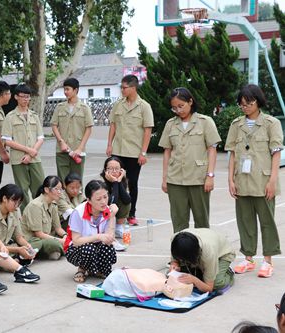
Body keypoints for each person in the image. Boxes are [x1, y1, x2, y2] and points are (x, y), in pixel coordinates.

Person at [225, 84, 282, 279]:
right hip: (242, 181)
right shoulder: (236, 125)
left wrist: (273, 180)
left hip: (263, 180)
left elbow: (276, 153)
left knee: (267, 221)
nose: (245, 107)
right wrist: (230, 180)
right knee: (245, 221)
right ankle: (248, 258)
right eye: (242, 104)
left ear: (258, 101)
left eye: (249, 103)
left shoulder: (271, 123)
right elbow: (232, 154)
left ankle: (267, 261)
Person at [159, 87, 221, 232]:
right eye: (174, 108)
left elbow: (212, 149)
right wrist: (164, 178)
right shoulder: (170, 124)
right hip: (175, 180)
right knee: (178, 222)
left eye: (181, 106)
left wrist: (210, 176)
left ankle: (204, 252)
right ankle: (180, 254)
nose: (178, 110)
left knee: (202, 222)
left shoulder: (205, 122)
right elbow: (167, 152)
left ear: (190, 102)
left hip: (199, 179)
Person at [106, 74, 154, 226]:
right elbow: (113, 125)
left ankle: (131, 214)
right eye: (121, 87)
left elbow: (148, 130)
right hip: (118, 151)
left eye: (124, 87)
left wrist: (143, 152)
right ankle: (114, 212)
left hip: (134, 153)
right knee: (115, 183)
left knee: (132, 183)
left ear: (133, 88)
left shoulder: (144, 106)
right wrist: (109, 144)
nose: (122, 90)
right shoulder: (118, 105)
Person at [65, 180, 118, 282]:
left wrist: (112, 216)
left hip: (97, 245)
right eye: (98, 199)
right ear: (89, 200)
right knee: (88, 248)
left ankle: (95, 269)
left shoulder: (108, 210)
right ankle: (82, 268)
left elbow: (109, 239)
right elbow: (76, 241)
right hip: (76, 248)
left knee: (109, 249)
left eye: (105, 197)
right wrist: (98, 236)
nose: (103, 201)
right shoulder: (78, 212)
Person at [2, 84, 45, 210]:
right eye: (23, 96)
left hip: (34, 159)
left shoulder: (34, 116)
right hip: (19, 160)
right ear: (16, 97)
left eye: (28, 97)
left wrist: (31, 153)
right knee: (22, 191)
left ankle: (40, 213)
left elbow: (41, 137)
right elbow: (7, 141)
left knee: (40, 188)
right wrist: (28, 151)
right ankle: (25, 217)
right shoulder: (10, 117)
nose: (26, 99)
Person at [0, 184, 36, 266]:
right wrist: (18, 249)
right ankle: (15, 261)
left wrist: (29, 247)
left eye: (19, 203)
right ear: (4, 198)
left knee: (32, 244)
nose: (17, 206)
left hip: (8, 248)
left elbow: (19, 237)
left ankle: (17, 259)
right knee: (4, 256)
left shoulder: (15, 211)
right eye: (14, 202)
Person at [51, 78, 93, 180]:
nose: (65, 92)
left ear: (76, 90)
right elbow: (54, 125)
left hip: (77, 152)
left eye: (68, 89)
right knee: (63, 182)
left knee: (76, 182)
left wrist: (80, 148)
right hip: (62, 151)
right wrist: (61, 142)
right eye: (64, 89)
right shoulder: (59, 107)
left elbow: (89, 128)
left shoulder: (84, 108)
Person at [169, 228, 235, 293]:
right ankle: (200, 272)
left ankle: (229, 273)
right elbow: (175, 258)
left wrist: (194, 280)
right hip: (199, 250)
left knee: (217, 284)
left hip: (223, 254)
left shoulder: (209, 253)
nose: (181, 261)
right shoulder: (176, 240)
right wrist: (174, 264)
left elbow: (209, 288)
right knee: (173, 276)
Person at [21, 176, 67, 260]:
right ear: (46, 189)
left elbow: (58, 228)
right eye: (57, 189)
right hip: (34, 241)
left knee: (69, 235)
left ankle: (59, 250)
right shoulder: (35, 206)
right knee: (55, 244)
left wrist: (65, 236)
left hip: (47, 237)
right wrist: (62, 241)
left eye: (61, 189)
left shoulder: (53, 204)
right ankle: (64, 249)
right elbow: (38, 234)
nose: (60, 192)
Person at [100, 156, 131, 242]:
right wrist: (115, 182)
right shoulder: (101, 184)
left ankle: (118, 227)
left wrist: (118, 182)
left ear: (122, 170)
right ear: (105, 170)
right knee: (111, 204)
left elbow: (127, 200)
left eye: (117, 169)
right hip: (101, 214)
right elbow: (112, 202)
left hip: (115, 212)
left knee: (125, 201)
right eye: (111, 169)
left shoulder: (121, 180)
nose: (114, 172)